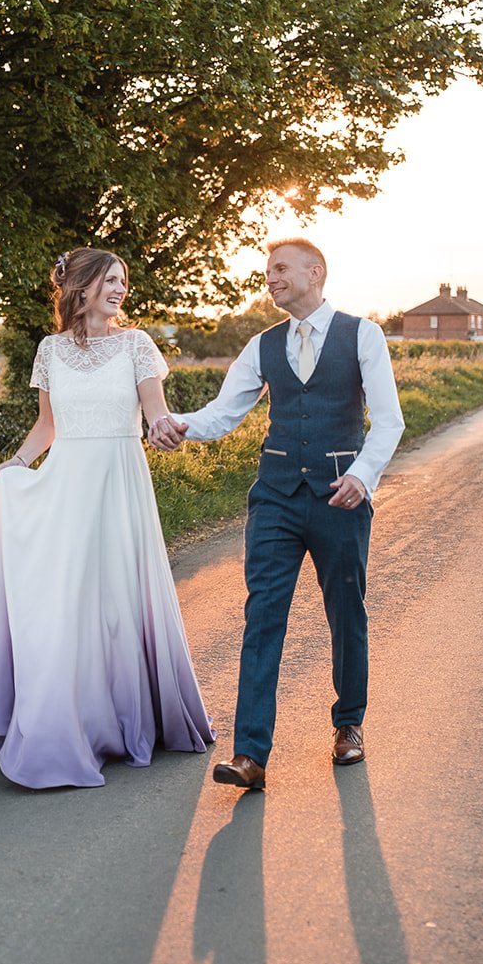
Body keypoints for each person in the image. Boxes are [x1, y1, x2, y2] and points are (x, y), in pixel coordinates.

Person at [149, 237, 403, 790]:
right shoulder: (262, 345)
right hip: (276, 498)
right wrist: (178, 424)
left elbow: (388, 421)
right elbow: (223, 413)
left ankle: (348, 726)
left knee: (346, 612)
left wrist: (362, 476)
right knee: (262, 616)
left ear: (316, 273)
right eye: (268, 271)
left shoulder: (363, 335)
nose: (271, 278)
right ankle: (250, 755)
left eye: (281, 269)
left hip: (342, 497)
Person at [0, 247, 215, 788]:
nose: (120, 288)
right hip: (68, 481)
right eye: (109, 279)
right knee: (70, 600)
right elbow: (47, 427)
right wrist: (14, 464)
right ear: (80, 288)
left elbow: (155, 413)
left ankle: (131, 719)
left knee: (119, 598)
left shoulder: (137, 344)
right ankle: (74, 717)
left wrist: (165, 431)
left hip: (121, 477)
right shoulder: (50, 350)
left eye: (123, 281)